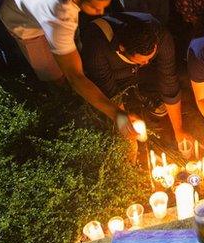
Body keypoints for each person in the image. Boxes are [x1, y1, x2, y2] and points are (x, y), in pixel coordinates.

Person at [0, 0, 142, 136]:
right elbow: (75, 76)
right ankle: (66, 110)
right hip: (22, 21)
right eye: (95, 7)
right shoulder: (59, 16)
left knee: (71, 52)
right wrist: (117, 113)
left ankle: (87, 97)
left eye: (104, 5)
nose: (101, 13)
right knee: (57, 75)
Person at [80, 11, 191, 144]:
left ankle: (147, 95)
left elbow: (169, 79)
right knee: (106, 117)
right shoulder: (97, 47)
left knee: (181, 76)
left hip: (140, 74)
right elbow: (110, 92)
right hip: (117, 77)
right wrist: (125, 126)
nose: (147, 62)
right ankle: (133, 100)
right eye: (142, 60)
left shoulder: (159, 35)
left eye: (150, 57)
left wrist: (179, 130)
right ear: (122, 48)